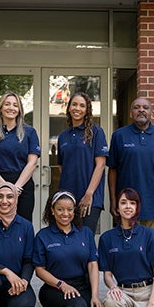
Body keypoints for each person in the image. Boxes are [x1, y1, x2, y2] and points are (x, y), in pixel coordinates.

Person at [33, 190, 108, 307]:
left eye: (69, 209)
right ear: (52, 211)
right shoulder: (43, 235)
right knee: (78, 306)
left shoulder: (85, 233)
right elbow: (39, 270)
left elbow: (93, 264)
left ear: (75, 210)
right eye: (60, 209)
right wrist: (61, 285)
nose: (65, 213)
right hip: (54, 288)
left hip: (81, 286)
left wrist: (95, 295)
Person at [98, 188, 154, 307]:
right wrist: (113, 287)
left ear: (137, 207)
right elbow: (107, 274)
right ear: (117, 207)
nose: (128, 206)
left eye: (132, 203)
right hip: (124, 292)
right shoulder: (107, 238)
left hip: (147, 292)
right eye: (123, 202)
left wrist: (151, 305)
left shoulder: (149, 235)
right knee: (111, 300)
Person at [107, 97, 154, 236]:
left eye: (145, 108)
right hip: (127, 205)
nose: (141, 110)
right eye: (136, 107)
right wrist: (113, 200)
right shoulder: (119, 136)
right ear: (131, 113)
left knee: (152, 248)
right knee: (128, 249)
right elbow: (112, 170)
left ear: (151, 112)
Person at [0, 92, 40, 222]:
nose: (11, 108)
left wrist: (15, 188)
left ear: (19, 110)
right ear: (1, 108)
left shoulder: (30, 132)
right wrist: (5, 187)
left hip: (22, 186)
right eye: (7, 104)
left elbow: (32, 163)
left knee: (22, 227)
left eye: (15, 105)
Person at [57, 92, 108, 235]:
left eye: (82, 105)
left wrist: (89, 194)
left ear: (87, 110)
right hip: (67, 198)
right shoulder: (63, 136)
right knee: (67, 238)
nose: (77, 108)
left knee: (85, 239)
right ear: (68, 108)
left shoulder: (96, 132)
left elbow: (101, 164)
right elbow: (62, 166)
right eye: (74, 104)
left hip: (90, 197)